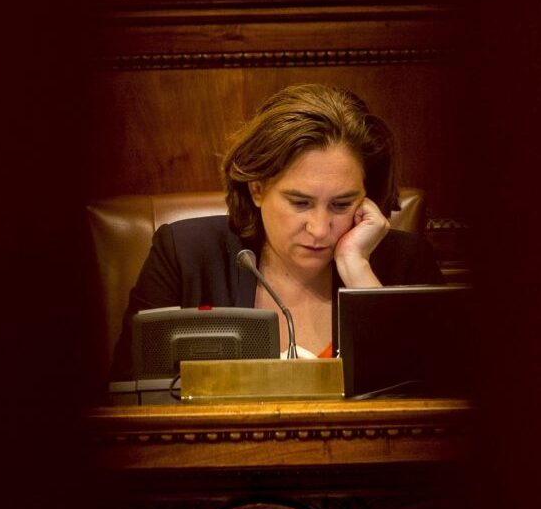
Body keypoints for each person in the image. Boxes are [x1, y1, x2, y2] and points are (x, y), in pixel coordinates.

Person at [110, 83, 444, 380]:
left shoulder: (407, 263)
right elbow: (125, 397)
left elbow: (434, 405)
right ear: (257, 189)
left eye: (341, 205)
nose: (319, 228)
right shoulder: (184, 255)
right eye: (299, 203)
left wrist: (358, 272)